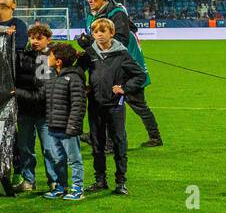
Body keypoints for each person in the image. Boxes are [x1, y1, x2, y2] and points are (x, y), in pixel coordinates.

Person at [77, 0, 162, 148]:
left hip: (124, 66)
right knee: (106, 102)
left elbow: (120, 41)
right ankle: (101, 136)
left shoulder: (117, 14)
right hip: (105, 64)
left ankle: (154, 137)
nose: (89, 0)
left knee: (137, 104)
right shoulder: (92, 14)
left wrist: (90, 43)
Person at [81, 17, 144, 196]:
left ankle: (120, 182)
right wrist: (83, 85)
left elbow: (139, 75)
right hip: (95, 105)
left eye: (103, 31)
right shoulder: (90, 53)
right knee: (97, 144)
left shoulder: (121, 54)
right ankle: (100, 180)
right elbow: (78, 70)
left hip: (115, 106)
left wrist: (124, 88)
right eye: (96, 32)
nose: (99, 35)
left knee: (118, 143)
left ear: (111, 33)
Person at [10, 22, 53, 192]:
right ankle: (29, 181)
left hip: (45, 111)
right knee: (26, 148)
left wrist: (17, 92)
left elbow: (41, 88)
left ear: (48, 39)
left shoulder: (49, 57)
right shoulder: (22, 56)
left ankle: (54, 181)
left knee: (49, 149)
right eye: (32, 37)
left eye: (39, 38)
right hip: (25, 111)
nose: (35, 41)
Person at [42, 42, 87, 201]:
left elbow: (79, 104)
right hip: (53, 126)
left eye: (51, 55)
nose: (48, 58)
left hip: (67, 129)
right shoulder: (52, 76)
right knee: (58, 159)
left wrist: (73, 126)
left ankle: (77, 188)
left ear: (59, 61)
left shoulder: (73, 78)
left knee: (74, 160)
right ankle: (61, 186)